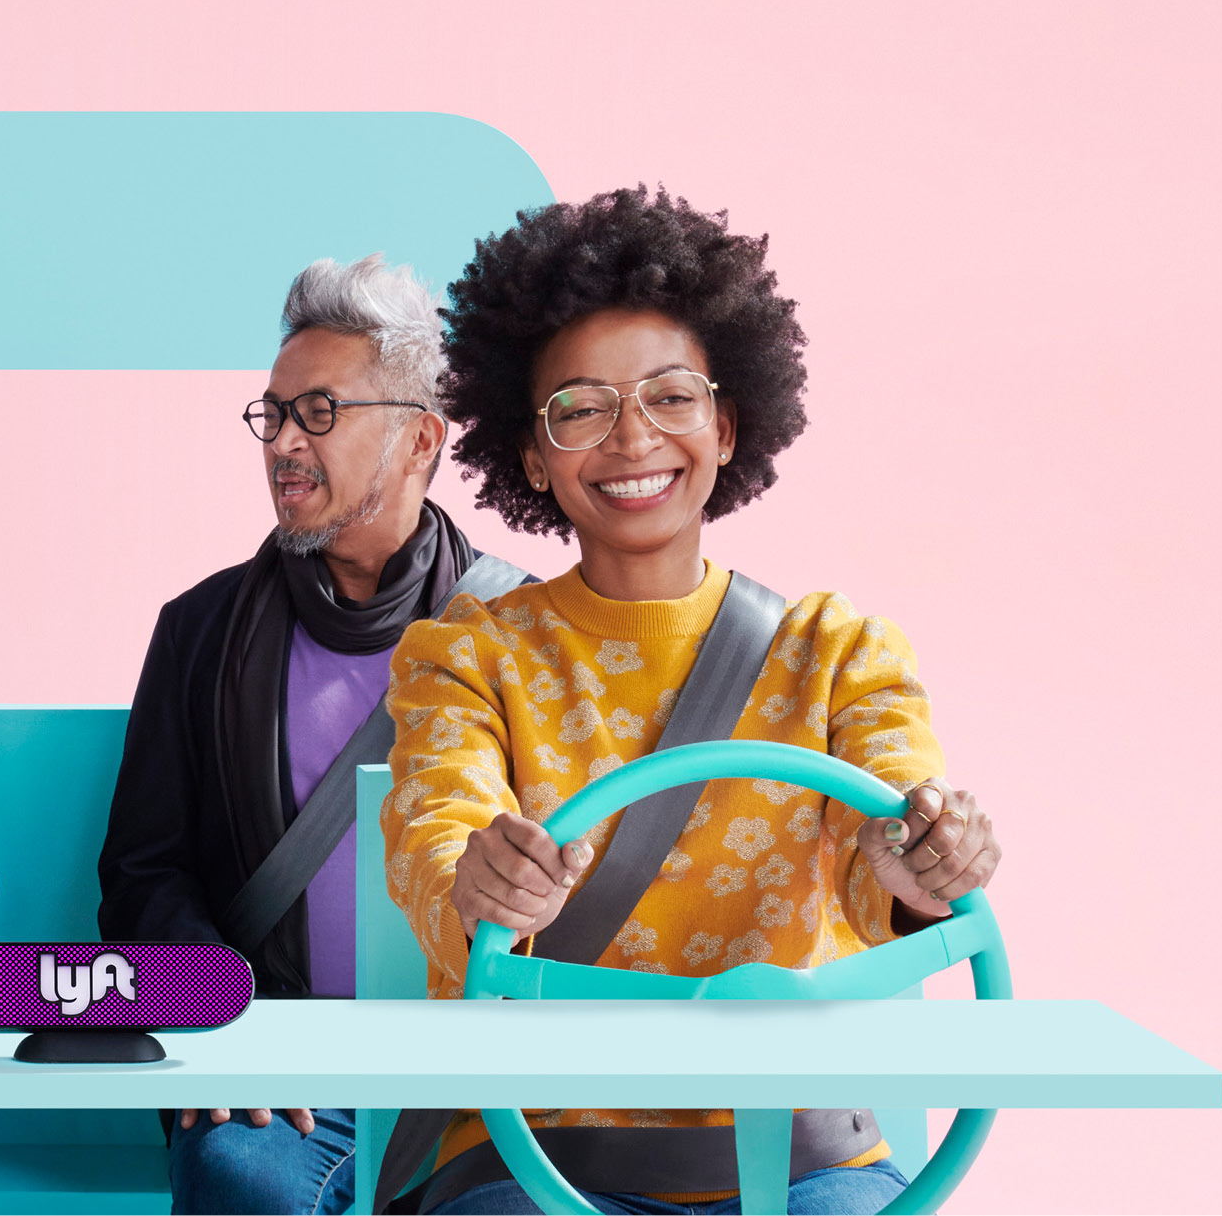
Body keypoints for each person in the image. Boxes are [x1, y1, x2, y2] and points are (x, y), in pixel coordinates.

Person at [379, 187, 1005, 1215]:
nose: (632, 438)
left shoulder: (837, 653)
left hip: (802, 1164)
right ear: (532, 453)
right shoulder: (466, 657)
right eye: (581, 408)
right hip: (529, 1158)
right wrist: (483, 883)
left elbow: (892, 839)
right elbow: (437, 842)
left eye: (670, 396)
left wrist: (925, 861)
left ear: (724, 424)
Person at [98, 255, 529, 1215]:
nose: (284, 442)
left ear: (420, 438)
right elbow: (142, 875)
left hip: (476, 1074)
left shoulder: (523, 631)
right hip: (275, 1070)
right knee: (238, 1179)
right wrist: (224, 1019)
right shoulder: (199, 630)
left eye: (320, 412)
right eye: (274, 413)